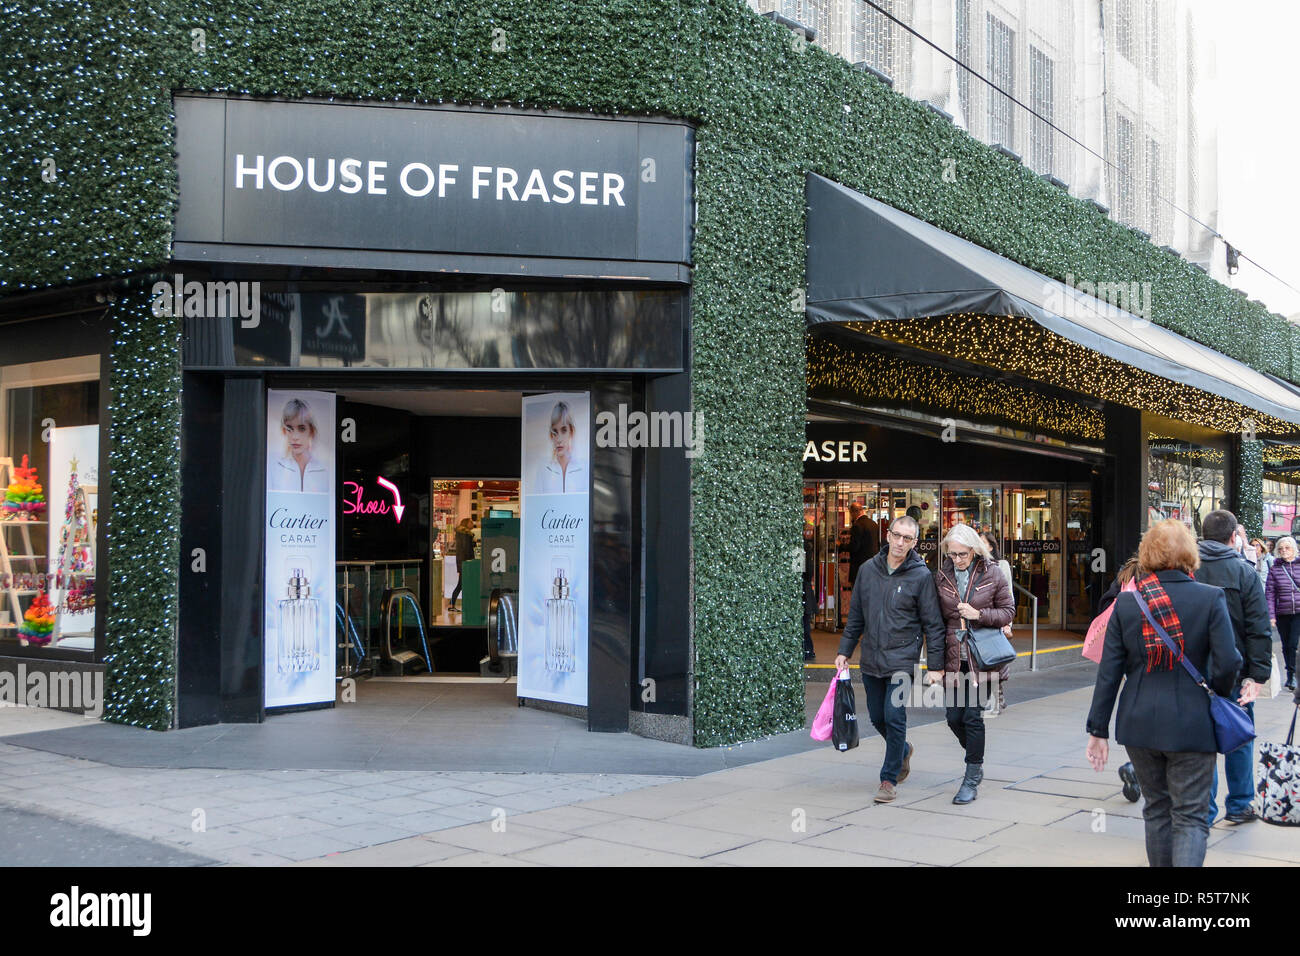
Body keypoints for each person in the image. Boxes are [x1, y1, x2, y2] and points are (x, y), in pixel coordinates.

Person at [1086, 519, 1242, 868]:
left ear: (1148, 555)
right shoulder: (1209, 598)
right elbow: (1229, 661)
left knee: (1157, 809)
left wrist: (1097, 730)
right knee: (1190, 815)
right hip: (1193, 722)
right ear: (1190, 554)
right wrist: (1216, 690)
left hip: (1139, 723)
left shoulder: (1129, 604)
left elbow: (1109, 672)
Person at [835, 515, 946, 804]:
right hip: (871, 657)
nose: (900, 542)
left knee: (894, 717)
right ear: (887, 535)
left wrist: (935, 665)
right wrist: (844, 650)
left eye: (907, 538)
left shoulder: (921, 576)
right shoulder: (867, 570)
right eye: (896, 535)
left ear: (914, 543)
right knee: (877, 716)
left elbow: (933, 624)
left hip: (902, 659)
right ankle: (904, 749)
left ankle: (888, 778)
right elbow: (856, 616)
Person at [1196, 509, 1270, 826]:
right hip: (1236, 671)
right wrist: (1258, 675)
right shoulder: (1245, 573)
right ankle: (1240, 804)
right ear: (1233, 537)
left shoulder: (1186, 568)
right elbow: (1258, 629)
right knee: (1239, 736)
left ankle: (1205, 809)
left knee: (1200, 742)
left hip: (1193, 672)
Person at [934, 524, 1014, 804]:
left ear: (974, 550)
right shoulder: (942, 576)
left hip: (983, 660)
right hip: (954, 658)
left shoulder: (993, 573)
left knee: (972, 717)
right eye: (952, 554)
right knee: (954, 718)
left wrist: (978, 614)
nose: (957, 559)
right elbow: (937, 621)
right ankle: (976, 760)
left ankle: (970, 776)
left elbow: (1007, 612)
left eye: (962, 554)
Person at [1093, 553, 1144, 802]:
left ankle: (1137, 766)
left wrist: (1097, 729)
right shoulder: (1161, 578)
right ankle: (1138, 767)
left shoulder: (1127, 572)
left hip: (1126, 654)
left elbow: (1105, 606)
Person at [978, 531, 1014, 716]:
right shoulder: (974, 565)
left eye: (983, 543)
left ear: (991, 546)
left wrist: (1008, 622)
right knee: (988, 662)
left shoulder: (1001, 565)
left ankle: (995, 701)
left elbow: (1008, 595)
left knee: (995, 662)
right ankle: (998, 700)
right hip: (982, 620)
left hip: (997, 619)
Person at [268, 397, 330, 493]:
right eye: (289, 428)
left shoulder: (326, 469)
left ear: (311, 431)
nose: (295, 437)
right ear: (284, 431)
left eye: (302, 429)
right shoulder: (273, 466)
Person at [1266, 535, 1300, 691]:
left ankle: (1294, 674)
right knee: (1286, 646)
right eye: (1281, 549)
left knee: (1293, 643)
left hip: (1298, 612)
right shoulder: (1275, 569)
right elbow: (1270, 594)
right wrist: (1271, 616)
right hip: (1283, 613)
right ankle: (1291, 674)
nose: (1284, 551)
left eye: (1287, 548)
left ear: (1294, 549)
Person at [533, 400, 587, 494]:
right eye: (555, 432)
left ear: (571, 432)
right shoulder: (543, 467)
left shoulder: (584, 467)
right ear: (551, 435)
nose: (559, 439)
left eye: (564, 430)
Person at [448, 518, 475, 611]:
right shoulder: (466, 535)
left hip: (462, 563)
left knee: (461, 585)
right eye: (471, 522)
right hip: (466, 563)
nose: (472, 523)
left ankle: (452, 604)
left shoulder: (462, 534)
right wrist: (470, 562)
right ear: (466, 524)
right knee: (463, 585)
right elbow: (467, 550)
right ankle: (455, 605)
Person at [847, 502, 876, 587]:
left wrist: (841, 546)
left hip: (859, 566)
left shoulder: (857, 525)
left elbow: (854, 547)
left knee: (858, 592)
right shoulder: (874, 524)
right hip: (873, 565)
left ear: (853, 512)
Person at [802, 521, 816, 662]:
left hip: (802, 589)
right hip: (805, 588)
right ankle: (808, 649)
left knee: (803, 623)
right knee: (805, 622)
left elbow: (801, 571)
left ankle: (807, 649)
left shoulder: (799, 548)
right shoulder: (806, 547)